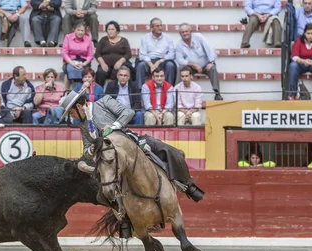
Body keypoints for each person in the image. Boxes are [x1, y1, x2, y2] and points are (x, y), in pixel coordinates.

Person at [57, 89, 205, 238]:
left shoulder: (104, 102)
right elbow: (86, 149)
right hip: (110, 160)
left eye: (71, 112)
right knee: (104, 194)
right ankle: (125, 219)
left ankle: (187, 185)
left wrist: (113, 126)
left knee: (168, 151)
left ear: (80, 106)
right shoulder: (83, 126)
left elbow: (128, 112)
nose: (72, 116)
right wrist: (90, 151)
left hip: (130, 144)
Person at [175, 23, 223, 100]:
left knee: (213, 69)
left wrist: (212, 62)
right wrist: (193, 65)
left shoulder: (199, 37)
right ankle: (176, 93)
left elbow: (210, 49)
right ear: (179, 34)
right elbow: (180, 60)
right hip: (191, 67)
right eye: (182, 32)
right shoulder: (179, 44)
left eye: (186, 31)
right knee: (180, 68)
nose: (185, 33)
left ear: (190, 31)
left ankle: (217, 93)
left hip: (205, 65)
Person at [135, 17, 176, 87]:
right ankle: (140, 91)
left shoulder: (168, 37)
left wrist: (160, 61)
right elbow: (142, 55)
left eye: (161, 25)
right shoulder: (145, 38)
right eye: (157, 26)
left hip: (163, 61)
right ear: (151, 27)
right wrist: (151, 65)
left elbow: (172, 54)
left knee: (170, 65)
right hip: (149, 61)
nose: (160, 28)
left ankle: (169, 89)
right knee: (140, 66)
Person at [94, 21, 132, 87]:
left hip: (119, 65)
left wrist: (120, 62)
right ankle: (99, 93)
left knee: (121, 71)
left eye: (112, 29)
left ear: (117, 31)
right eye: (109, 29)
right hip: (106, 65)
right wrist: (102, 64)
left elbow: (128, 54)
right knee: (100, 73)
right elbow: (97, 54)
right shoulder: (103, 40)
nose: (110, 31)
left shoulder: (124, 40)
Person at [61, 22, 93, 89]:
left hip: (83, 61)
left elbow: (90, 55)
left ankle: (86, 91)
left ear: (85, 31)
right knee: (68, 70)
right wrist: (72, 63)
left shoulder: (88, 38)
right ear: (74, 30)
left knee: (87, 71)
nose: (80, 32)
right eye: (78, 30)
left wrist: (84, 64)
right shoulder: (68, 37)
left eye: (82, 30)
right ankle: (66, 92)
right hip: (71, 61)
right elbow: (65, 53)